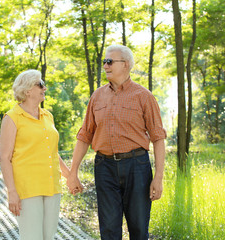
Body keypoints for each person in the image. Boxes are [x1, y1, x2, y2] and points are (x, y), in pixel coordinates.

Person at [67, 45, 167, 240]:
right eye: (104, 62)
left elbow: (158, 137)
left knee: (138, 229)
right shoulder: (97, 96)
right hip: (104, 167)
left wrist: (159, 177)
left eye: (110, 61)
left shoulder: (143, 97)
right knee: (109, 230)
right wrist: (73, 173)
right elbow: (84, 135)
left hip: (137, 167)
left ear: (126, 65)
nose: (105, 66)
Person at [0, 69, 70, 240]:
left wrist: (69, 176)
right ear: (28, 89)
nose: (45, 88)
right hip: (28, 188)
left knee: (48, 236)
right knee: (32, 237)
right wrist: (12, 192)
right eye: (41, 84)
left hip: (52, 186)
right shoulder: (12, 118)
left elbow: (52, 151)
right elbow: (4, 158)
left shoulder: (47, 116)